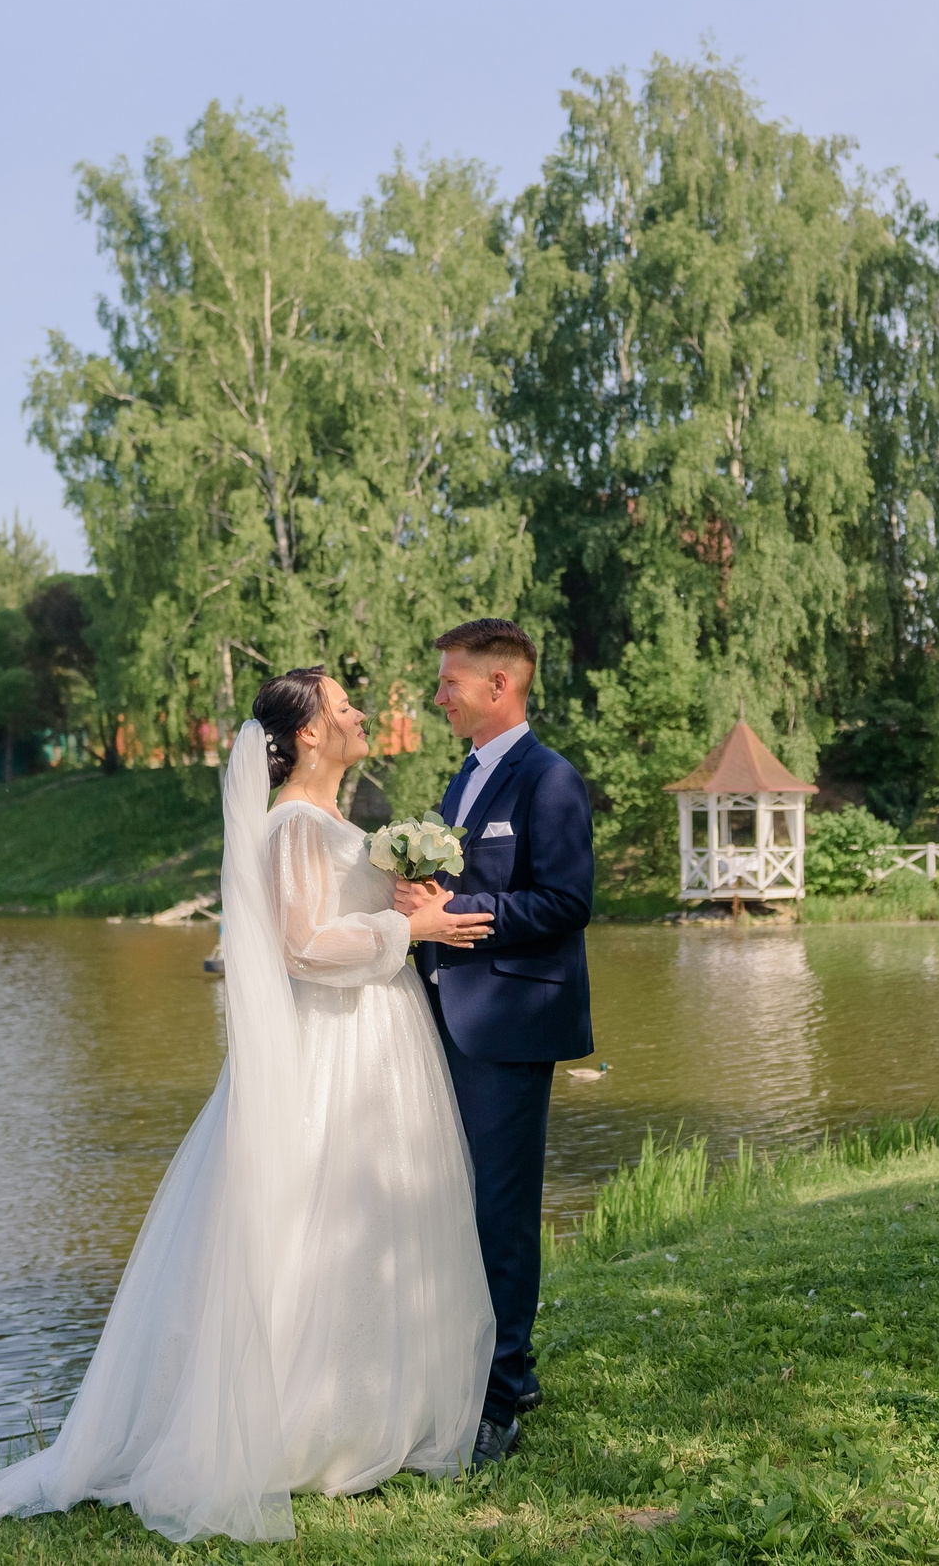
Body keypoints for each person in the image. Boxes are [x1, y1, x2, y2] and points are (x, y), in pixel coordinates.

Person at [0, 669, 498, 1544]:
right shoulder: (292, 823)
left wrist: (411, 904)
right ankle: (301, 1422)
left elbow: (341, 920)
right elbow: (299, 945)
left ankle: (369, 1407)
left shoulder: (336, 824)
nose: (360, 713)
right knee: (314, 1217)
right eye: (343, 706)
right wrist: (412, 932)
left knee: (373, 1213)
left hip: (375, 1037)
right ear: (312, 735)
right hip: (329, 1045)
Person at [400, 618, 594, 1465]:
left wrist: (455, 920)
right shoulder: (463, 779)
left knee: (502, 1213)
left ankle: (501, 1399)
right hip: (448, 1016)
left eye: (450, 681)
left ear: (498, 686)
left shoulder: (551, 780)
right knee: (459, 1201)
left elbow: (565, 903)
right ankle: (510, 1363)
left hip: (509, 1025)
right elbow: (461, 881)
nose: (438, 694)